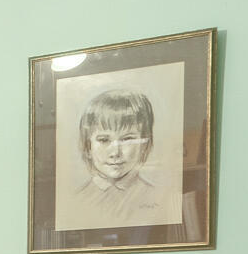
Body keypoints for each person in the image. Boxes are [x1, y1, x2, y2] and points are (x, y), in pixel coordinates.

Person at [59, 87, 175, 228]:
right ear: (88, 146)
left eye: (127, 139)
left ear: (144, 144)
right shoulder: (73, 202)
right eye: (103, 140)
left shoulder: (162, 199)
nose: (115, 152)